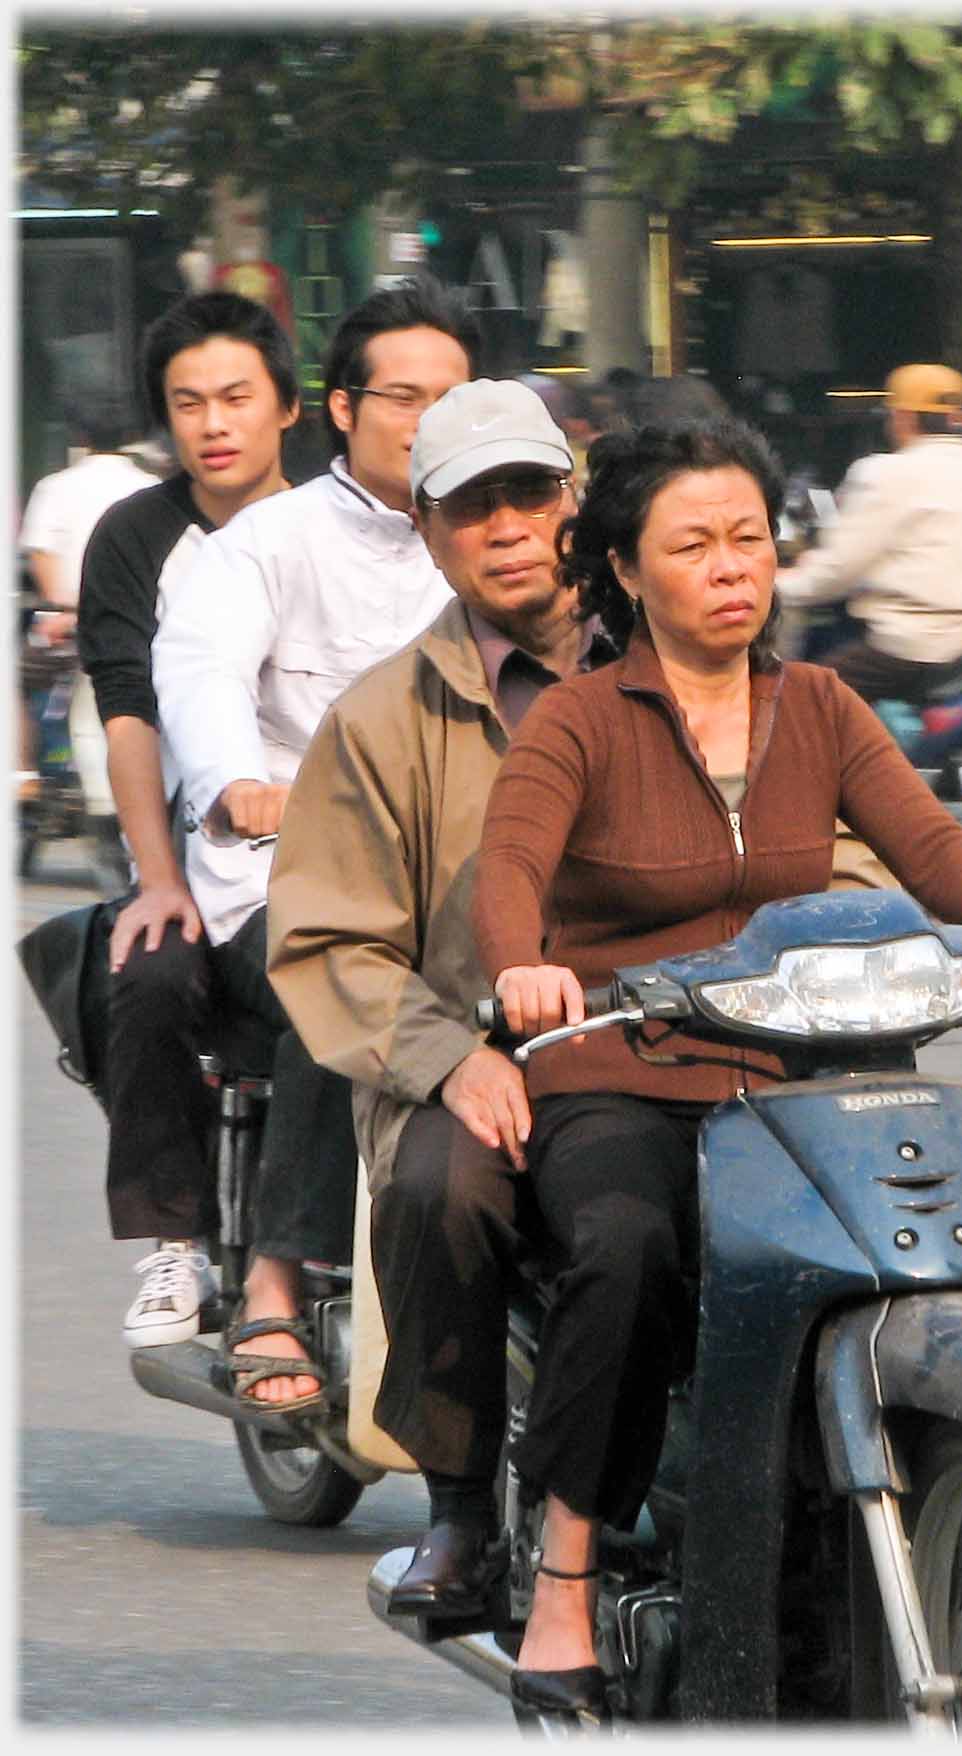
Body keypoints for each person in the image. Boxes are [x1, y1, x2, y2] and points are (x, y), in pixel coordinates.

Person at [466, 415, 962, 1719]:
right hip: (628, 1068)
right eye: (691, 545)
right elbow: (510, 871)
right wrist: (523, 964)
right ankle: (570, 1576)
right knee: (626, 1246)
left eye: (748, 538)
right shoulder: (582, 720)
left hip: (802, 1069)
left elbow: (935, 853)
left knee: (954, 1217)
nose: (729, 567)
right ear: (627, 572)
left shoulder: (819, 704)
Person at [265, 376, 608, 1608]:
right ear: (428, 531)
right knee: (440, 1182)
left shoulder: (680, 663)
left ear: (576, 502)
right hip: (472, 1063)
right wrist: (452, 1060)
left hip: (673, 1046)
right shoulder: (377, 722)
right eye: (475, 507)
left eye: (531, 493)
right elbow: (328, 945)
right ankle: (461, 1507)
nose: (509, 525)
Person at [149, 274, 479, 1405]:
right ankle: (277, 1290)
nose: (429, 420)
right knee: (328, 979)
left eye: (455, 396)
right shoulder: (263, 544)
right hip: (287, 881)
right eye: (404, 396)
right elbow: (196, 671)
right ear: (341, 408)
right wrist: (239, 776)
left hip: (469, 887)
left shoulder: (499, 539)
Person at [77, 290, 303, 1351]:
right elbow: (131, 715)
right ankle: (173, 1242)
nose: (214, 423)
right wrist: (157, 876)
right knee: (151, 969)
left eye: (236, 399)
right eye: (187, 403)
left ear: (291, 410)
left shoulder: (343, 531)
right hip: (194, 849)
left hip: (336, 860)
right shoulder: (134, 537)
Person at [776, 363, 962, 702]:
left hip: (914, 649)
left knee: (799, 701)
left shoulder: (888, 472)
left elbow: (836, 571)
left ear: (904, 417)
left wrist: (776, 586)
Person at [16, 394, 154, 797]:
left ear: (79, 436)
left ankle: (25, 776)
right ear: (131, 436)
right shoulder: (150, 488)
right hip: (137, 623)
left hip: (69, 622)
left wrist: (62, 608)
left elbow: (41, 553)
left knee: (20, 683)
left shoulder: (55, 487)